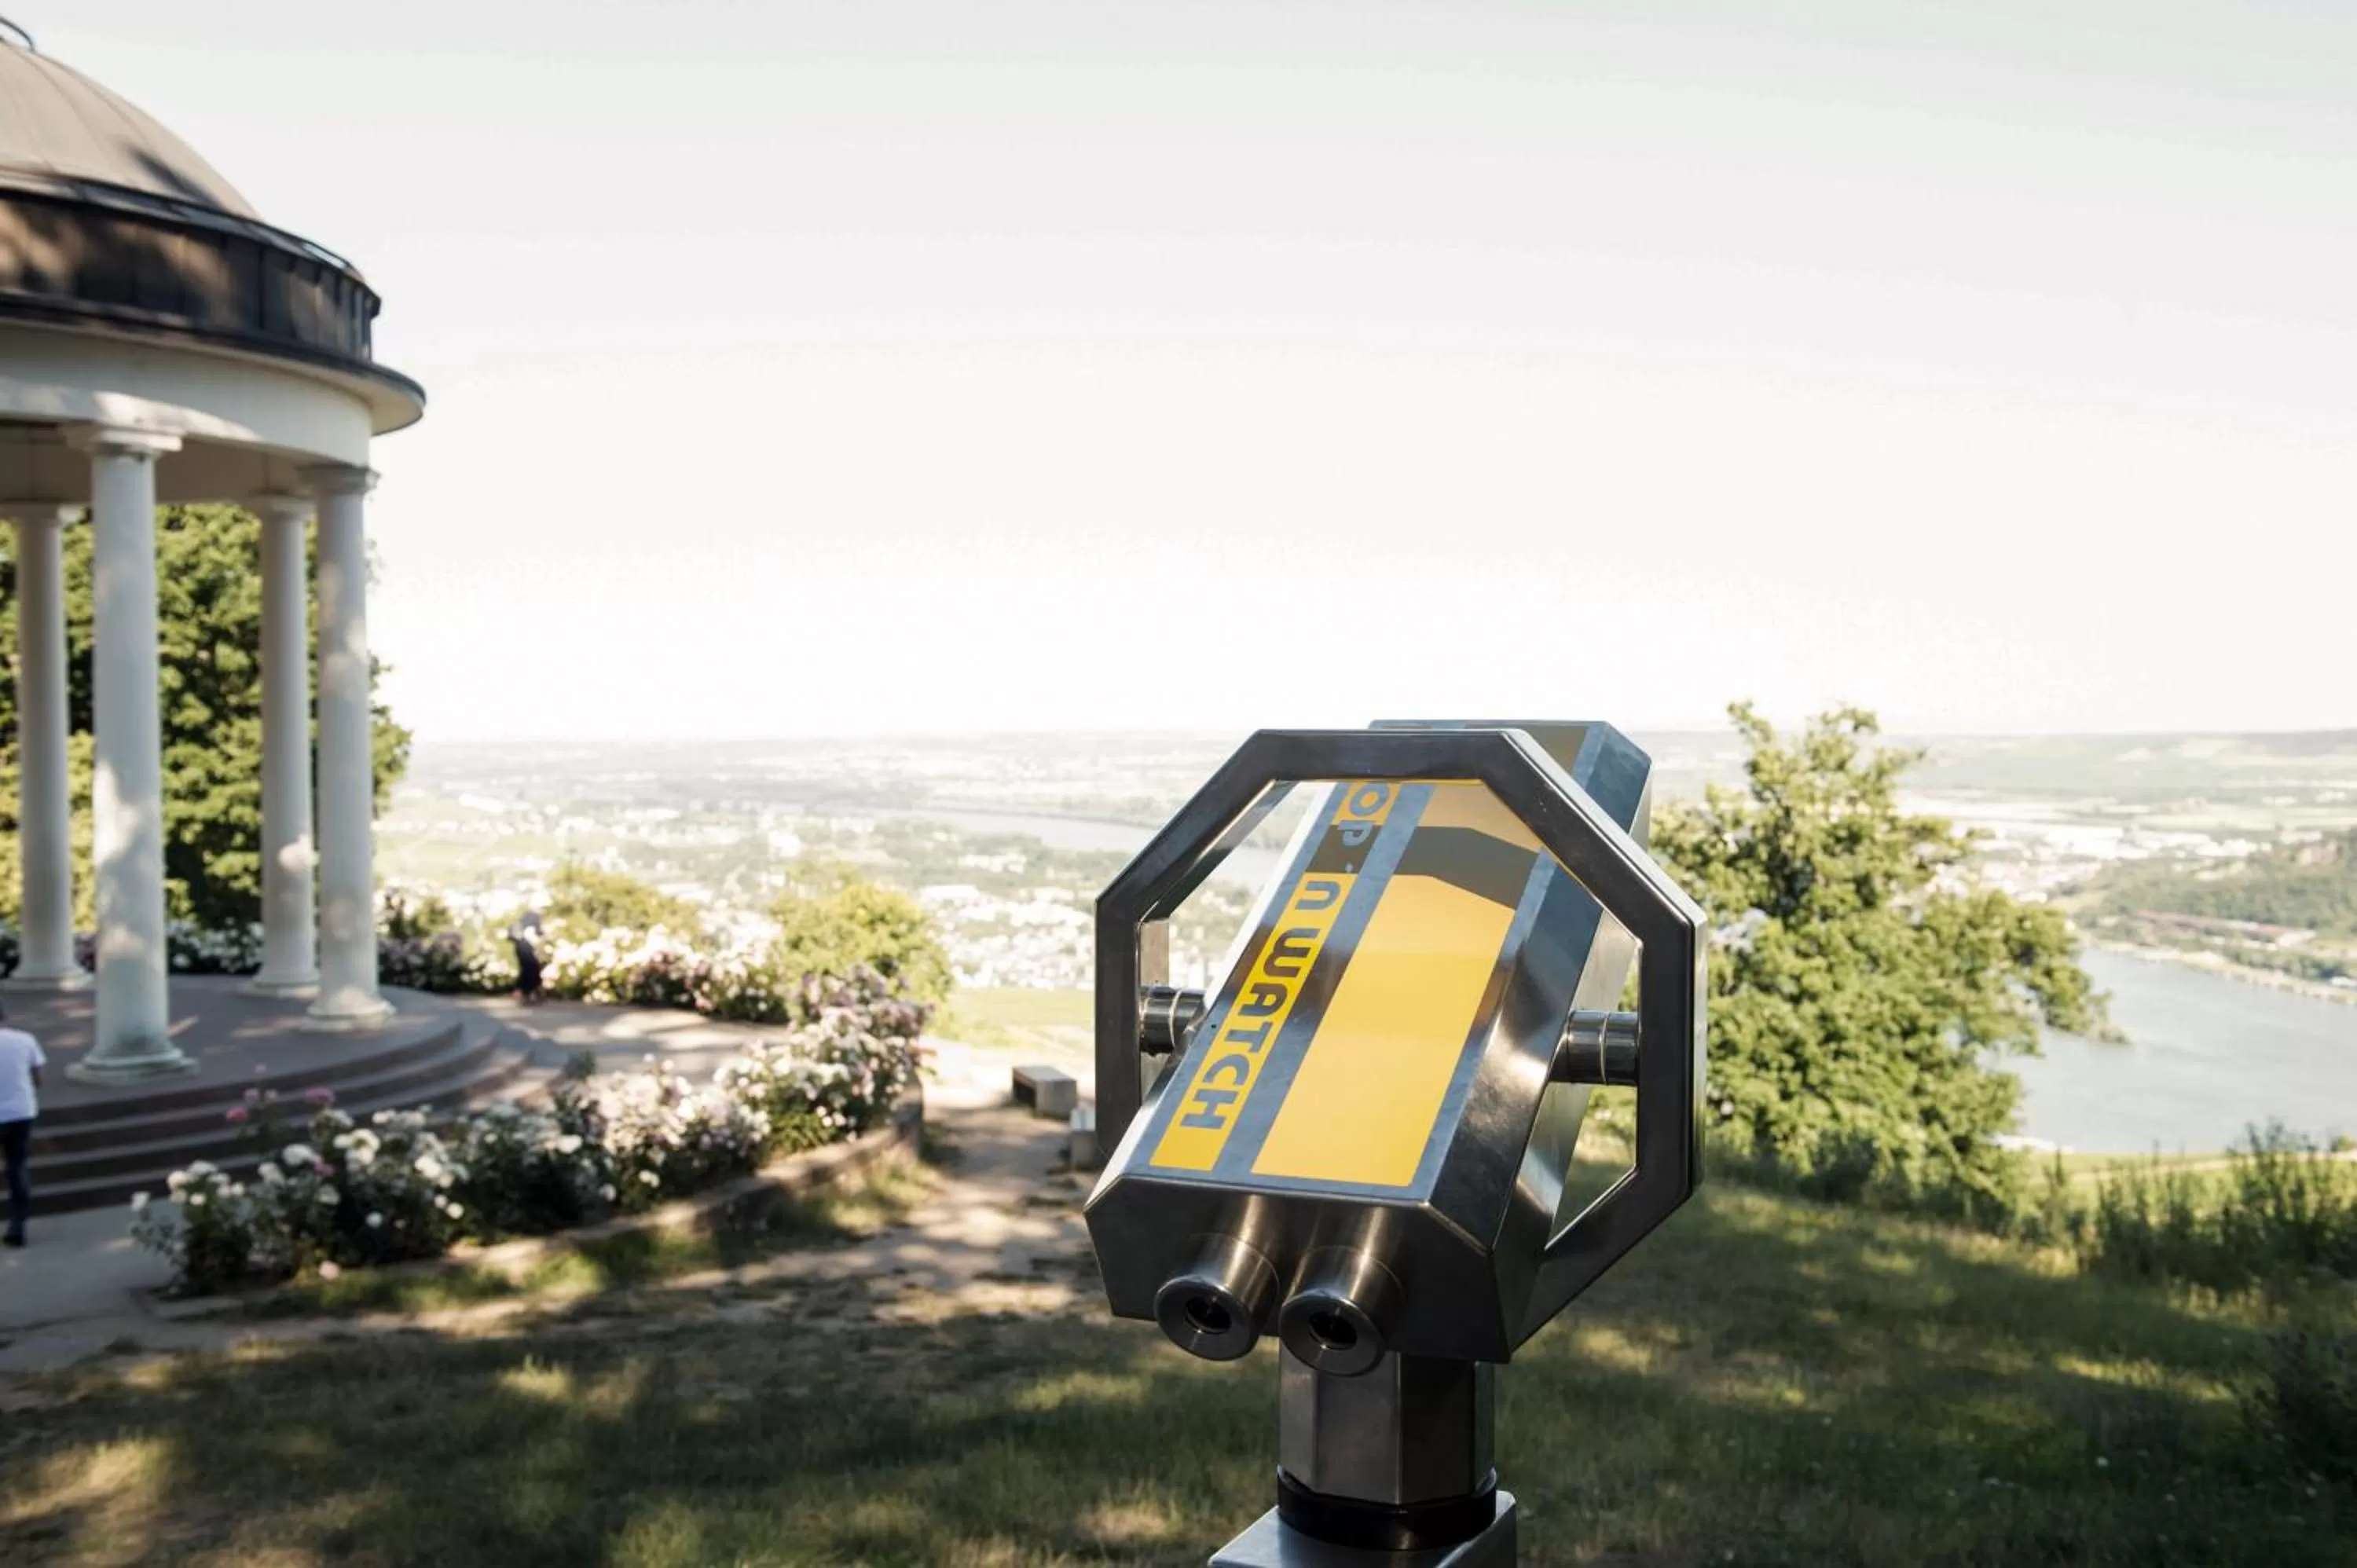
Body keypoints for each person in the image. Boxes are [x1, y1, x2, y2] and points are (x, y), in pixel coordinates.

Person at [0, 1002, 46, 1248]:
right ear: (4, 1015)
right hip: (21, 1112)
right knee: (17, 1168)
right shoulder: (25, 1040)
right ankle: (18, 1225)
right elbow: (38, 1079)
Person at [509, 910, 545, 1006]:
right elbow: (534, 939)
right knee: (532, 969)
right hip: (526, 947)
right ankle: (527, 993)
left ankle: (525, 993)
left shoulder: (524, 924)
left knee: (527, 970)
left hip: (520, 947)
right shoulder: (531, 926)